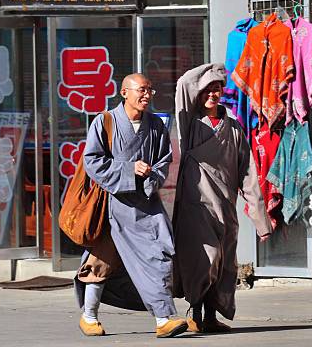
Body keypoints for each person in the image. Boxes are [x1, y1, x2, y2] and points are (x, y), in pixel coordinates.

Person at [74, 73, 187, 338]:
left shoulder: (156, 126)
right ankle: (89, 316)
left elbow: (164, 161)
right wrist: (128, 169)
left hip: (144, 206)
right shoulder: (105, 122)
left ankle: (163, 319)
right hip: (111, 204)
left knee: (156, 257)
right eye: (141, 90)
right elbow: (92, 161)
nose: (147, 95)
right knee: (100, 261)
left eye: (150, 90)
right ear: (124, 92)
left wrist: (149, 179)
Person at [173, 63, 272, 333]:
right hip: (196, 206)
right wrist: (213, 70)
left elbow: (248, 174)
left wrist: (260, 220)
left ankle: (210, 316)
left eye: (217, 89)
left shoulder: (234, 128)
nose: (212, 95)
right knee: (203, 259)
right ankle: (194, 310)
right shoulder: (190, 124)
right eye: (207, 90)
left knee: (224, 263)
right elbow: (183, 82)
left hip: (226, 206)